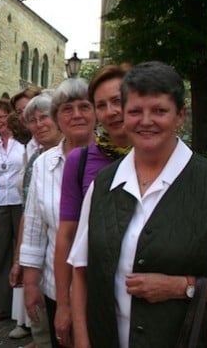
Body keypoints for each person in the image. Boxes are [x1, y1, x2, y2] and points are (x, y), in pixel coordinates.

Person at [69, 62, 207, 348]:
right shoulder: (103, 184)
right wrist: (82, 341)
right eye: (135, 111)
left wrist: (181, 287)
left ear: (181, 115)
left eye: (159, 111)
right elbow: (81, 272)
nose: (146, 121)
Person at [52, 65, 130, 347]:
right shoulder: (81, 161)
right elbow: (66, 235)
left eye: (118, 101)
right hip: (96, 291)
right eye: (102, 105)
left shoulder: (154, 156)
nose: (111, 112)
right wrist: (63, 304)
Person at [20, 78, 96, 348]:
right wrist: (30, 284)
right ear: (58, 118)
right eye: (67, 108)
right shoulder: (43, 164)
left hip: (103, 292)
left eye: (84, 106)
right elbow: (34, 229)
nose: (76, 115)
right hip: (56, 287)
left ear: (96, 112)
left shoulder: (117, 159)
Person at [8, 92, 63, 345]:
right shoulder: (37, 160)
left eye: (44, 117)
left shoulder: (85, 155)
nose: (39, 124)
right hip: (45, 262)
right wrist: (21, 260)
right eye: (32, 120)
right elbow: (30, 219)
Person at [0, 99, 26, 322]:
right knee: (2, 255)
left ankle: (24, 309)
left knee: (23, 255)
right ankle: (4, 305)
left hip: (20, 203)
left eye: (3, 116)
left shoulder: (24, 144)